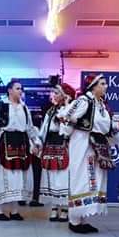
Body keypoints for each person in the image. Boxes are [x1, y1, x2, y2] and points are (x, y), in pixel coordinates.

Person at [60, 74, 119, 233]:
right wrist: (66, 135)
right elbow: (66, 116)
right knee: (81, 178)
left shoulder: (102, 105)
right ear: (93, 87)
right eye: (102, 84)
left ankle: (83, 218)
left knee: (93, 180)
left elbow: (111, 129)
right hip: (82, 144)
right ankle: (74, 220)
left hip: (98, 146)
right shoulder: (84, 101)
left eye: (105, 83)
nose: (106, 86)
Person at [0, 80, 41, 221]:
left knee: (18, 178)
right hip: (4, 144)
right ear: (9, 90)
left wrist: (36, 142)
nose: (20, 91)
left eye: (21, 89)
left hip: (21, 144)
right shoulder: (1, 106)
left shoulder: (24, 107)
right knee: (2, 177)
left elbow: (29, 128)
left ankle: (14, 211)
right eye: (17, 88)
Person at [39, 82, 75, 222]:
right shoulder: (51, 111)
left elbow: (69, 128)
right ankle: (54, 207)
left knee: (63, 176)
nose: (53, 95)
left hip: (64, 144)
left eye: (57, 93)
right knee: (51, 175)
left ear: (65, 95)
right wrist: (38, 143)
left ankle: (65, 208)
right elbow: (44, 129)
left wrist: (67, 105)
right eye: (53, 92)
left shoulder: (71, 109)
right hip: (50, 144)